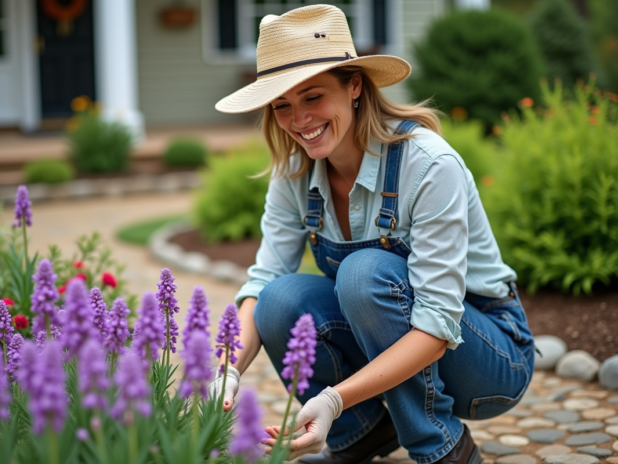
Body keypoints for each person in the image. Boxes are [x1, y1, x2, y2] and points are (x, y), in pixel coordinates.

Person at [209, 4, 535, 464]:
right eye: (282, 105)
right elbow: (262, 282)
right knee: (279, 300)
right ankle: (360, 435)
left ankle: (442, 446)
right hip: (405, 345)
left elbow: (439, 323)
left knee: (365, 275)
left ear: (355, 85)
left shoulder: (427, 165)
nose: (299, 119)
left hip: (488, 358)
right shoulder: (294, 174)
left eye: (313, 97)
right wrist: (226, 370)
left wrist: (333, 397)